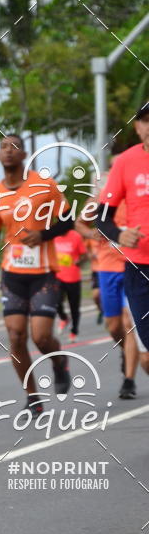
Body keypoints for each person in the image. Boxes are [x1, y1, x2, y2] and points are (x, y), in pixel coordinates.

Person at [0, 134, 72, 411]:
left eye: (14, 147)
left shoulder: (44, 185)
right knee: (16, 335)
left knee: (41, 337)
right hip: (13, 272)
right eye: (3, 147)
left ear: (24, 155)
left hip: (44, 272)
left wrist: (43, 234)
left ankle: (59, 362)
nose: (8, 151)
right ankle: (33, 396)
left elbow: (68, 221)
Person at [76, 143, 139, 399]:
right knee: (114, 326)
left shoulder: (137, 197)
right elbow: (79, 223)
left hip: (133, 266)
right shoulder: (100, 200)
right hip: (106, 268)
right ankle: (126, 352)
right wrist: (92, 232)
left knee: (128, 322)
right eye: (113, 168)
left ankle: (129, 380)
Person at [97, 102, 149, 379]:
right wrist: (120, 234)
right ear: (138, 127)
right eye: (146, 121)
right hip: (139, 268)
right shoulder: (126, 163)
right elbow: (101, 217)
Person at [54, 227, 86, 342]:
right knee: (56, 302)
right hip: (58, 276)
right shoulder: (54, 235)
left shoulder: (76, 236)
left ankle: (74, 331)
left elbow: (84, 255)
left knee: (74, 307)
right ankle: (63, 318)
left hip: (73, 277)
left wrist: (79, 261)